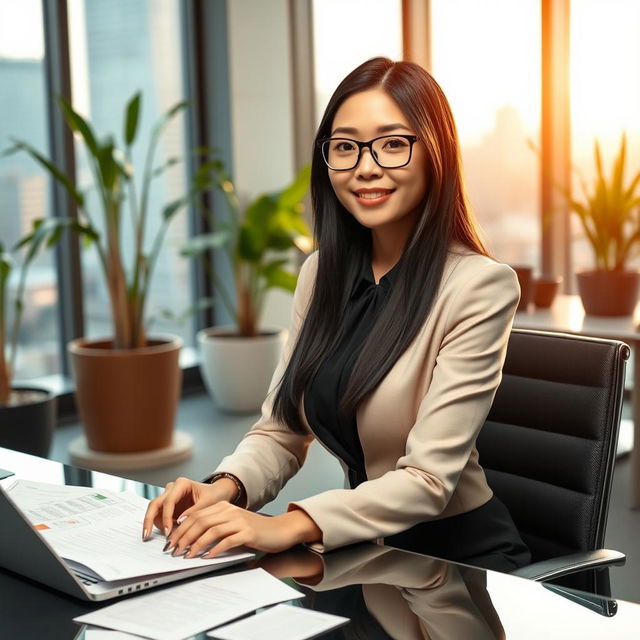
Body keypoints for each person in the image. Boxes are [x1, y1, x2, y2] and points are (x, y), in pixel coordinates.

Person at [142, 57, 531, 572]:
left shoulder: (479, 285)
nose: (366, 167)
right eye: (345, 147)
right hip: (365, 553)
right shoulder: (322, 274)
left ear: (436, 153)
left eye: (393, 143)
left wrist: (287, 525)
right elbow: (281, 429)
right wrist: (224, 488)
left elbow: (429, 481)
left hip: (458, 563)